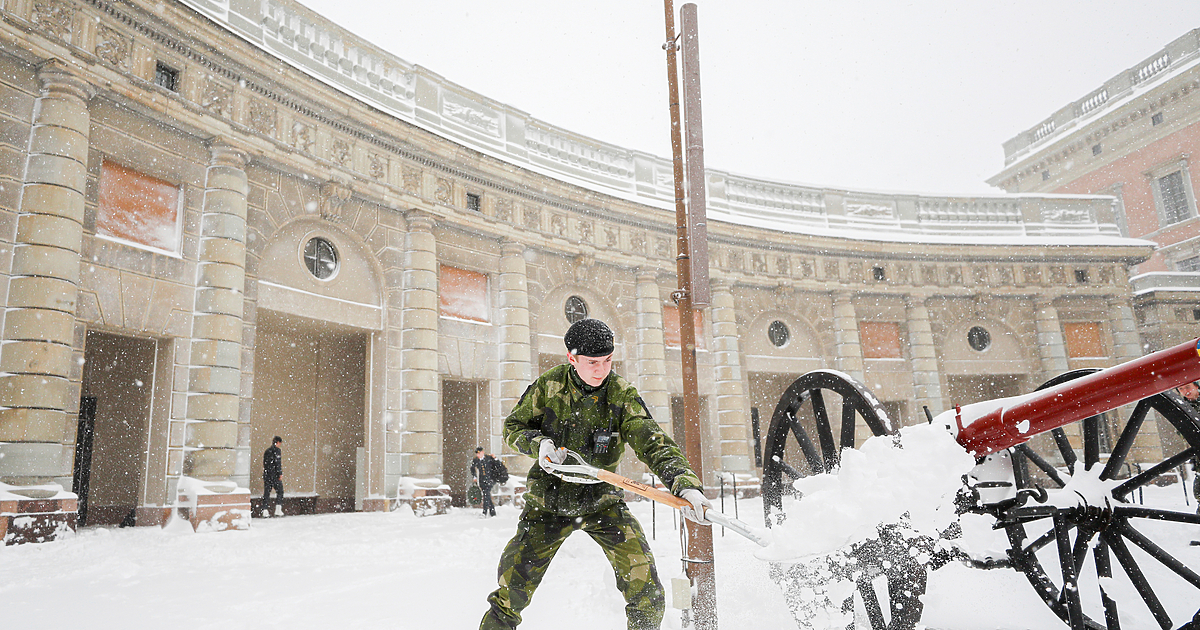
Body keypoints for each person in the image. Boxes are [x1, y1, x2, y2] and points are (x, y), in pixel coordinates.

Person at [479, 318, 712, 630]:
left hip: (602, 501)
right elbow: (513, 427)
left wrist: (685, 484)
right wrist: (540, 444)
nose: (601, 370)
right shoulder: (549, 386)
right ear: (571, 359)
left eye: (607, 361)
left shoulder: (621, 395)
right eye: (591, 362)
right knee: (511, 594)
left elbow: (653, 442)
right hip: (547, 504)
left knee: (647, 592)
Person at [471, 447, 497, 518]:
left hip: (490, 480)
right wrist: (475, 477)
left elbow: (497, 465)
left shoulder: (489, 458)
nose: (478, 455)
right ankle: (492, 512)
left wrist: (495, 458)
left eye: (479, 453)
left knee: (486, 494)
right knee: (487, 495)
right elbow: (472, 468)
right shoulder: (476, 460)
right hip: (482, 480)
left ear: (482, 452)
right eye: (477, 454)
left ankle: (484, 512)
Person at [262, 436, 284, 517]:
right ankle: (278, 510)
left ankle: (265, 510)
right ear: (278, 442)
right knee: (280, 491)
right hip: (274, 475)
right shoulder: (277, 451)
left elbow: (265, 463)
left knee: (267, 492)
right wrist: (279, 473)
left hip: (267, 474)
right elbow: (277, 463)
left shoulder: (267, 451)